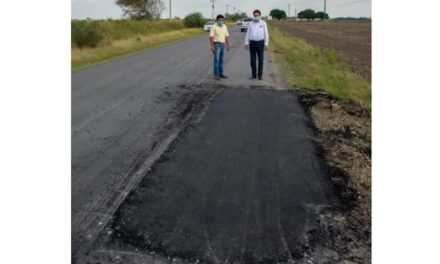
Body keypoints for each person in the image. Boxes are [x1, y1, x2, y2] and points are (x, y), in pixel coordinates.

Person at [245, 9, 269, 80]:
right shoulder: (251, 23)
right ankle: (253, 75)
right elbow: (248, 34)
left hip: (260, 43)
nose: (256, 17)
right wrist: (246, 43)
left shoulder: (263, 23)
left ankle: (260, 75)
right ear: (253, 16)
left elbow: (266, 34)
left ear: (259, 15)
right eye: (255, 15)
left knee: (261, 60)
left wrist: (266, 43)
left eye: (257, 15)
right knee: (252, 60)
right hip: (252, 43)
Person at [210, 14, 230, 80]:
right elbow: (211, 37)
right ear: (216, 20)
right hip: (216, 45)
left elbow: (226, 36)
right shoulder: (214, 27)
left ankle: (221, 74)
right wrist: (212, 46)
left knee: (221, 60)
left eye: (222, 20)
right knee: (216, 60)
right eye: (219, 20)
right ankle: (216, 75)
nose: (221, 21)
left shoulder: (224, 26)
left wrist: (228, 45)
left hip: (223, 45)